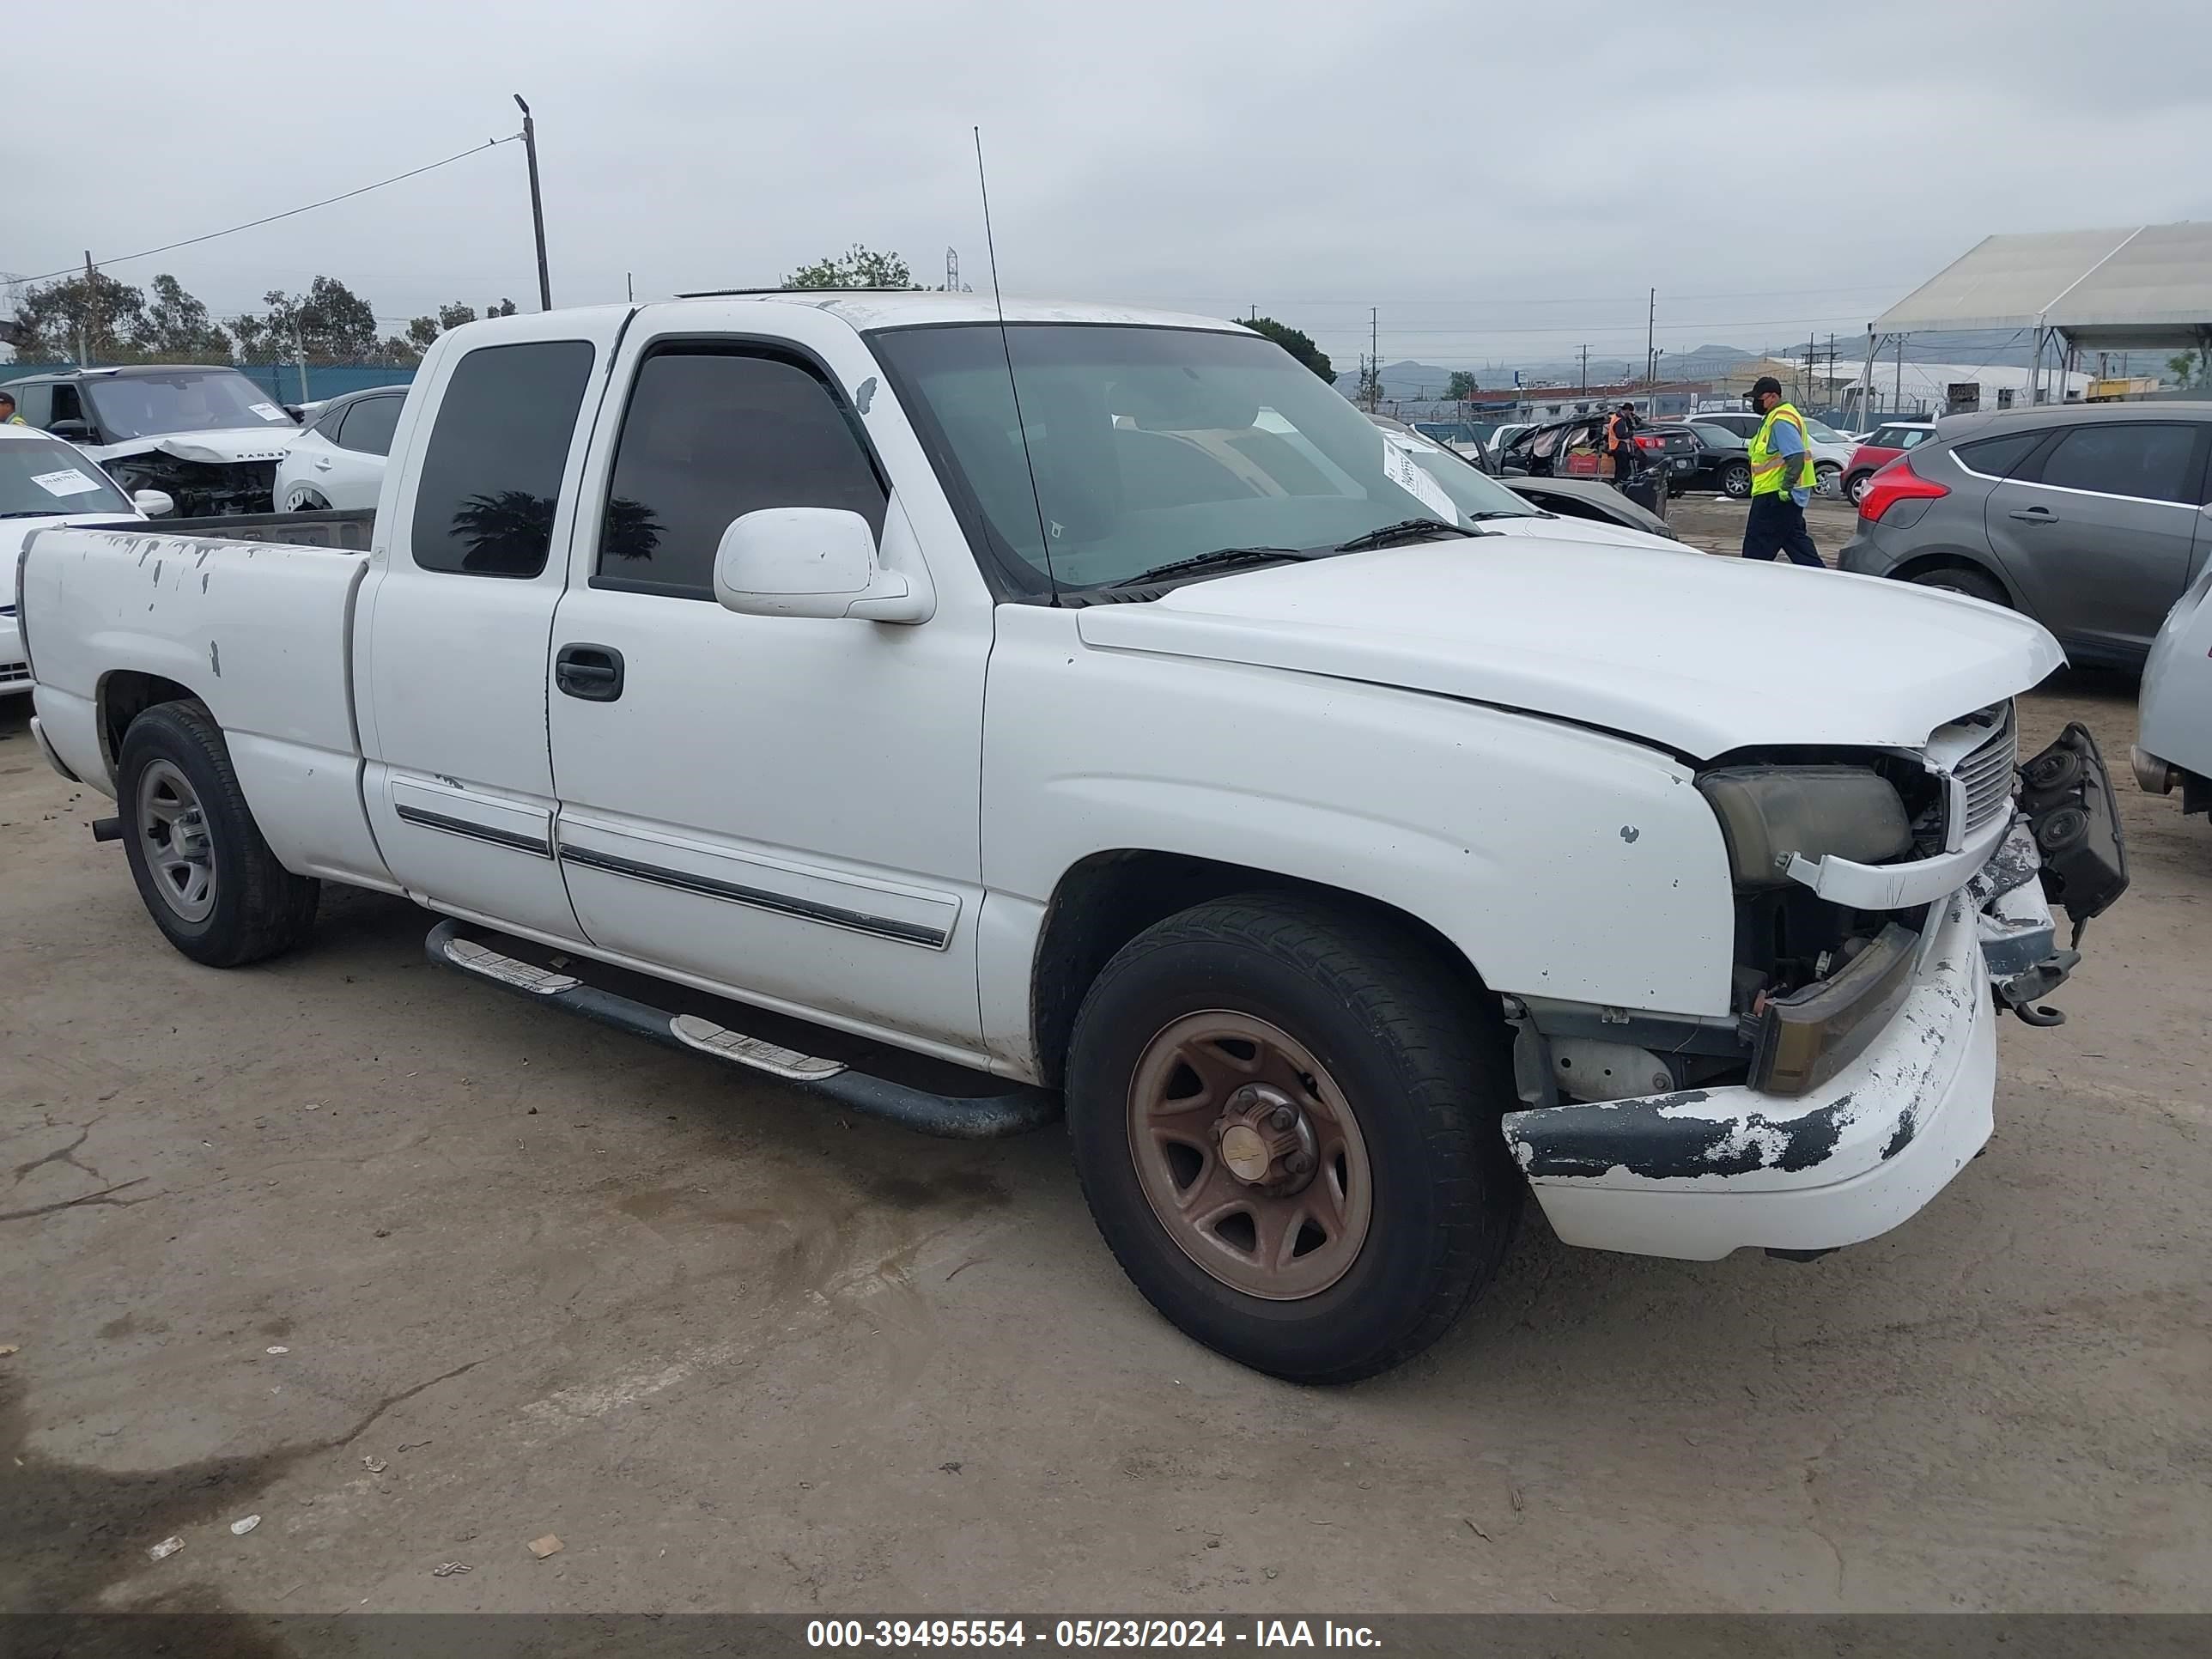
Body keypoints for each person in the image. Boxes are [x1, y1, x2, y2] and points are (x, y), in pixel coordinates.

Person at [1741, 376, 1821, 567]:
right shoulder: (1774, 417)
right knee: (1796, 544)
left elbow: (1795, 456)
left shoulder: (1780, 420)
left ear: (1773, 397)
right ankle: (1825, 581)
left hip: (1776, 495)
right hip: (1779, 495)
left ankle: (1748, 583)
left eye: (1759, 399)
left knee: (1756, 549)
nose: (1756, 403)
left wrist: (1786, 487)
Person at [1604, 401, 1639, 489]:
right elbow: (1620, 434)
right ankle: (1617, 485)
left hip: (1617, 447)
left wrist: (1632, 419)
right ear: (1627, 410)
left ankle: (1616, 484)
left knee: (1621, 469)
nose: (1630, 414)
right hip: (1620, 447)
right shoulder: (1620, 421)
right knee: (1624, 470)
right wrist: (1631, 433)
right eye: (1630, 412)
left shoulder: (1617, 417)